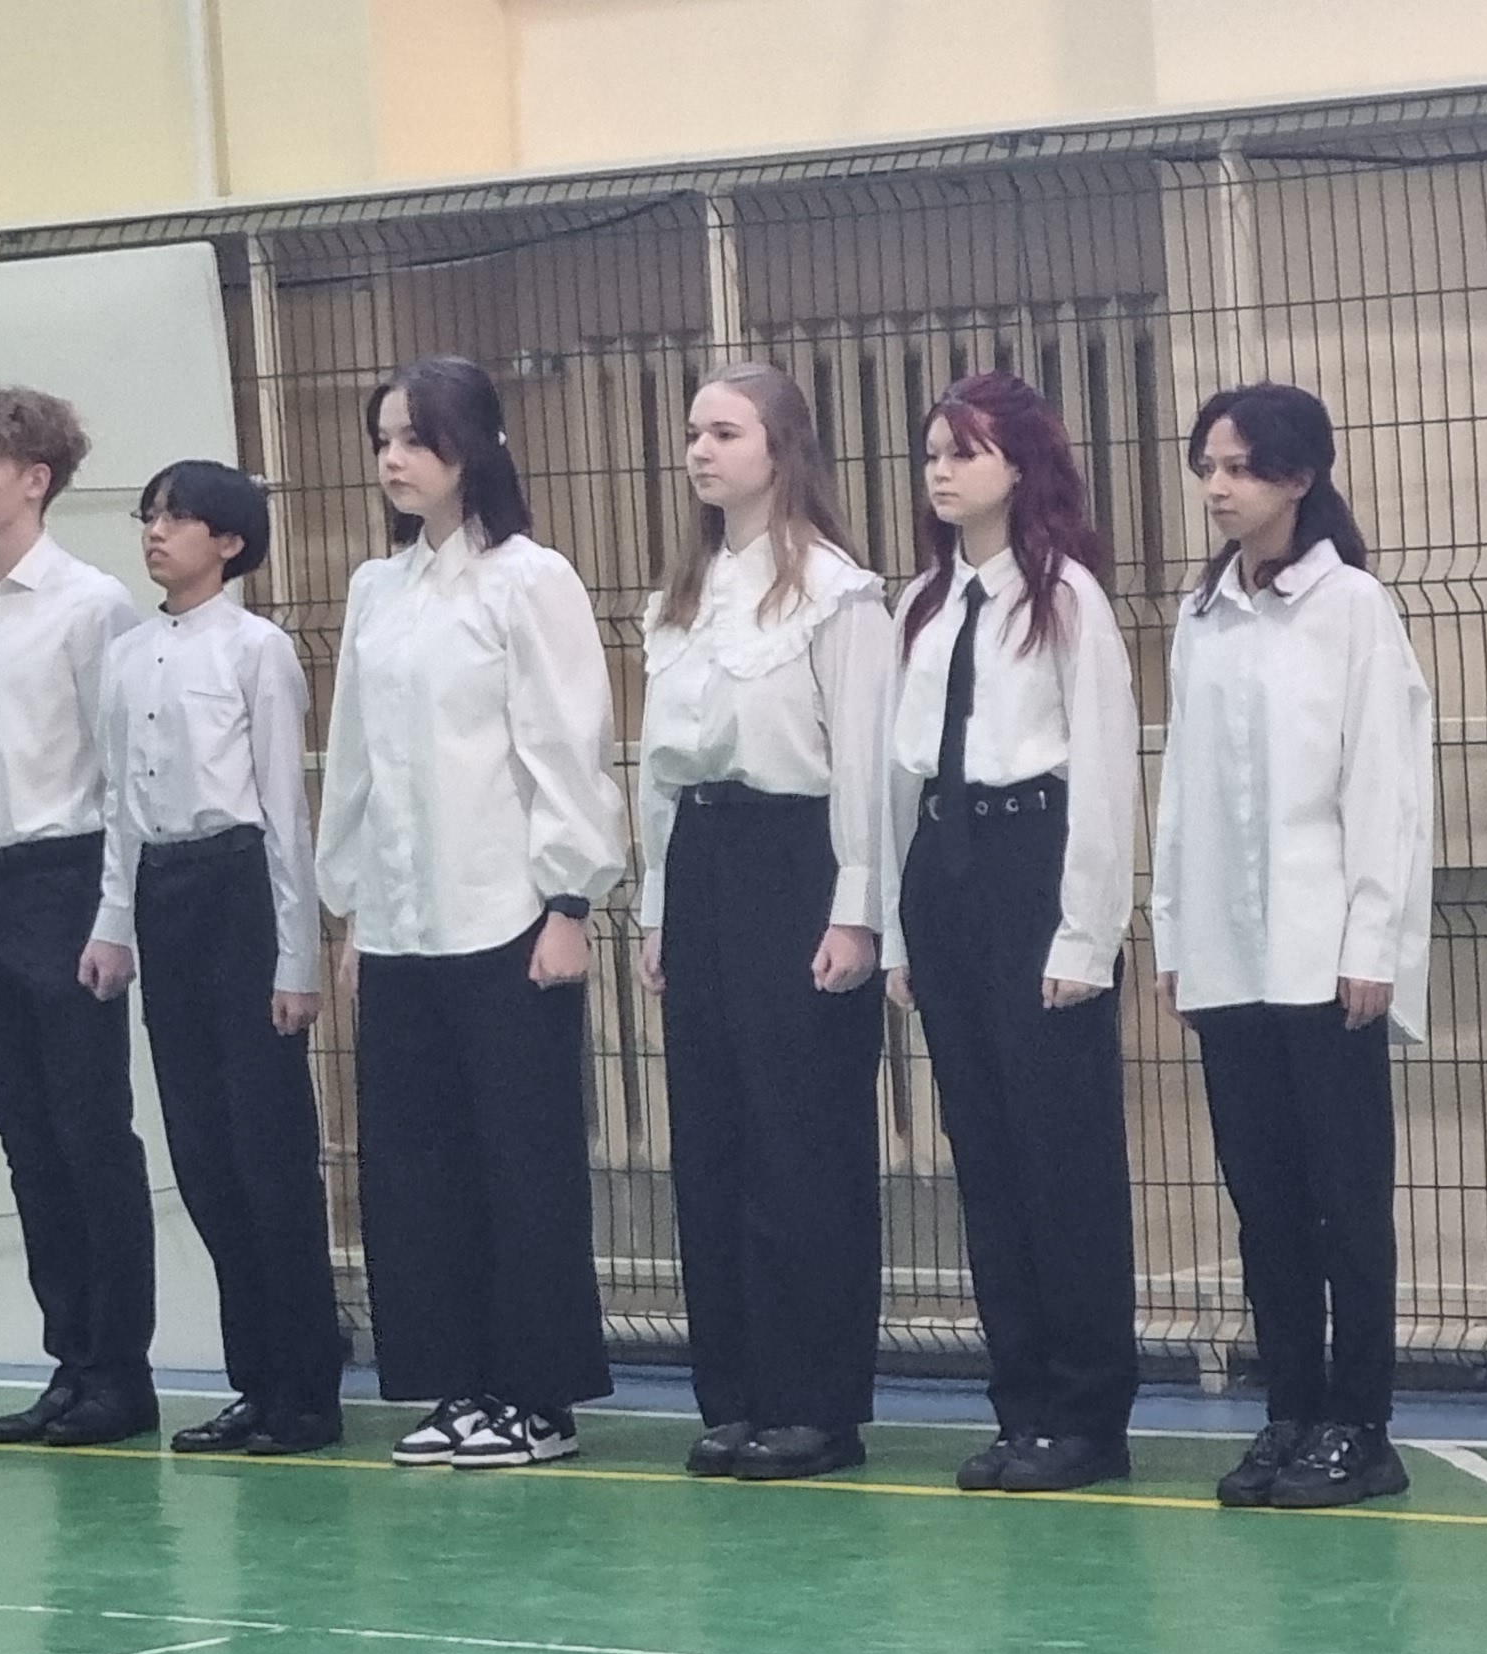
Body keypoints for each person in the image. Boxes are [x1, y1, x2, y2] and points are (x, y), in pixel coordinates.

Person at [318, 355, 631, 1470]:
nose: (394, 459)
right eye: (383, 439)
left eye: (416, 437)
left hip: (508, 919)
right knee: (416, 1167)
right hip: (402, 924)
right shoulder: (376, 589)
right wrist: (353, 909)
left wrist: (568, 899)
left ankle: (536, 1399)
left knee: (522, 1164)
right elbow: (354, 759)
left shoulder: (527, 579)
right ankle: (455, 1384)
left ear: (474, 446)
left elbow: (568, 745)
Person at [1153, 382, 1435, 1509]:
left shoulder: (1353, 607)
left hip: (1326, 957)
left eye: (1240, 468)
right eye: (1207, 468)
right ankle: (1289, 1411)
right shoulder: (1202, 615)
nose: (1218, 489)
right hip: (1229, 955)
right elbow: (1182, 789)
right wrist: (1177, 928)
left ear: (1300, 477)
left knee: (1346, 1203)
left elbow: (1385, 785)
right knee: (1261, 1200)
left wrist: (1373, 940)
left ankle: (1359, 1426)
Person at [883, 371, 1143, 1494]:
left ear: (1023, 465)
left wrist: (1086, 933)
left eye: (967, 451)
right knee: (986, 1157)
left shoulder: (1065, 598)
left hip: (1036, 860)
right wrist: (901, 930)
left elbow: (1105, 770)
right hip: (946, 869)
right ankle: (1021, 1402)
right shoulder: (923, 603)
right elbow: (900, 773)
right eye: (934, 452)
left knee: (1061, 1157)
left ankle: (1087, 1415)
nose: (941, 471)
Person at [634, 362, 894, 1482]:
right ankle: (733, 1393)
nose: (700, 450)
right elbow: (658, 770)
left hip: (799, 864)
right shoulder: (681, 597)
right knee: (714, 1141)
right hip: (703, 860)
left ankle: (815, 1404)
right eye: (694, 432)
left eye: (725, 432)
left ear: (782, 449)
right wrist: (655, 905)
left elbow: (867, 764)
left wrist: (857, 910)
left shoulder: (838, 593)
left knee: (803, 1143)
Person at [0, 387, 160, 1451]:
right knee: (26, 1143)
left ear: (35, 479)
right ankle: (70, 1359)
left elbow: (125, 770)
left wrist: (115, 916)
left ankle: (121, 1373)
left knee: (91, 1136)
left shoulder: (94, 605)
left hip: (67, 878)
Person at [99, 459, 347, 1457]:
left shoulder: (259, 649)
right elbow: (119, 800)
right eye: (149, 516)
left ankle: (306, 1388)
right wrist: (113, 924)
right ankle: (255, 1380)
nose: (156, 533)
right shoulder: (125, 655)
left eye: (178, 518)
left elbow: (285, 808)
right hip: (164, 893)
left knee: (267, 1152)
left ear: (230, 542)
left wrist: (297, 957)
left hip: (240, 888)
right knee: (201, 1153)